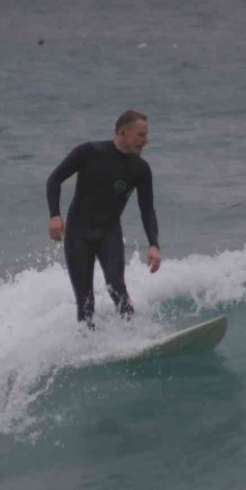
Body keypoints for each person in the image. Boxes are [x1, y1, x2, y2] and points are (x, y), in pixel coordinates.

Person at [46, 110, 161, 328]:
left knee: (117, 287)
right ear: (124, 132)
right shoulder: (90, 152)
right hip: (78, 234)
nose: (146, 141)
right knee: (85, 301)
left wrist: (154, 244)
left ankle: (134, 336)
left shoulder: (141, 169)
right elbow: (54, 179)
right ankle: (88, 346)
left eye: (145, 135)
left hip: (109, 233)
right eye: (141, 135)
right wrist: (54, 215)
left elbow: (147, 209)